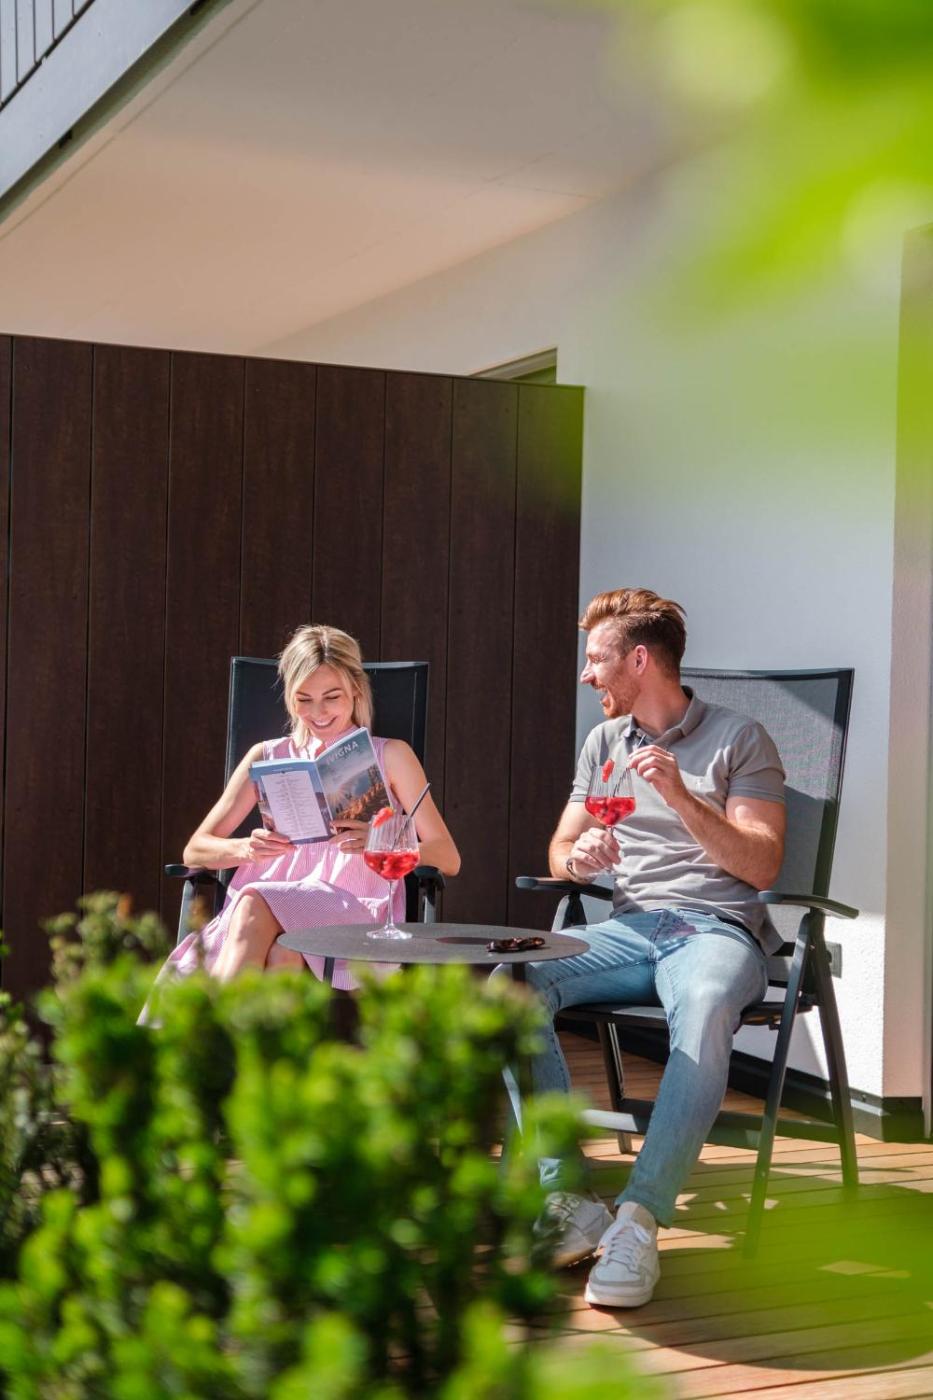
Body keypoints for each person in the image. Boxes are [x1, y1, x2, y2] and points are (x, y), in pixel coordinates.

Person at [510, 588, 785, 1309]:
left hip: (715, 929)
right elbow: (562, 847)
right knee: (510, 982)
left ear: (638, 660)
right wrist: (579, 859)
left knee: (705, 1004)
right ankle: (569, 1198)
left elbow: (761, 865)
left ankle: (638, 1218)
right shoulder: (604, 741)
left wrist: (683, 797)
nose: (585, 674)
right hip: (629, 928)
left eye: (595, 659)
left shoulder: (740, 738)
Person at [157, 624, 460, 989]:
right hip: (263, 916)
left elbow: (448, 857)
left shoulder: (391, 755)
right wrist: (246, 849)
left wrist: (380, 842)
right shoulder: (266, 756)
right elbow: (195, 850)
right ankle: (240, 1024)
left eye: (332, 697)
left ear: (356, 689)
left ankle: (212, 1023)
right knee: (282, 955)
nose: (318, 712)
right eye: (304, 699)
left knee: (255, 902)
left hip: (347, 911)